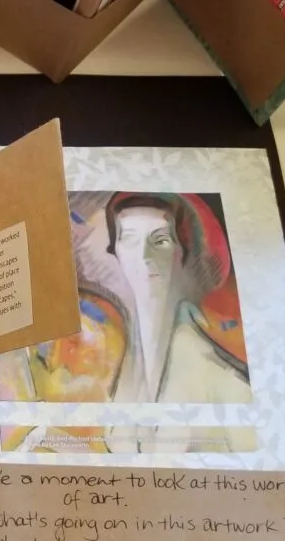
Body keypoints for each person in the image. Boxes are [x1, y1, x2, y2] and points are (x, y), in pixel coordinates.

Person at [102, 193, 251, 453]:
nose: (144, 256)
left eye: (160, 240)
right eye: (129, 239)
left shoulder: (226, 384)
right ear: (115, 249)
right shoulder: (124, 367)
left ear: (182, 251)